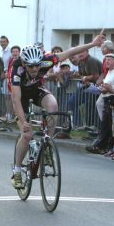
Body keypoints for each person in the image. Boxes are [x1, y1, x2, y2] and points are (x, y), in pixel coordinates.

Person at [11, 33, 105, 189]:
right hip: (20, 94)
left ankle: (47, 141)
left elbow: (71, 51)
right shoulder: (16, 68)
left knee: (53, 106)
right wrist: (23, 121)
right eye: (31, 66)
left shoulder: (47, 59)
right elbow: (15, 99)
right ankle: (17, 171)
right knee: (27, 135)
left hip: (36, 89)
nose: (35, 69)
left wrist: (93, 44)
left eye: (37, 65)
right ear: (24, 64)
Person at [86, 53, 114, 154]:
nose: (107, 61)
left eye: (109, 59)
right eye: (106, 59)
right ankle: (102, 145)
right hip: (105, 99)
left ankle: (103, 146)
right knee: (105, 125)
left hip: (111, 99)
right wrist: (101, 88)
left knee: (108, 125)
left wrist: (107, 89)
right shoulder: (109, 72)